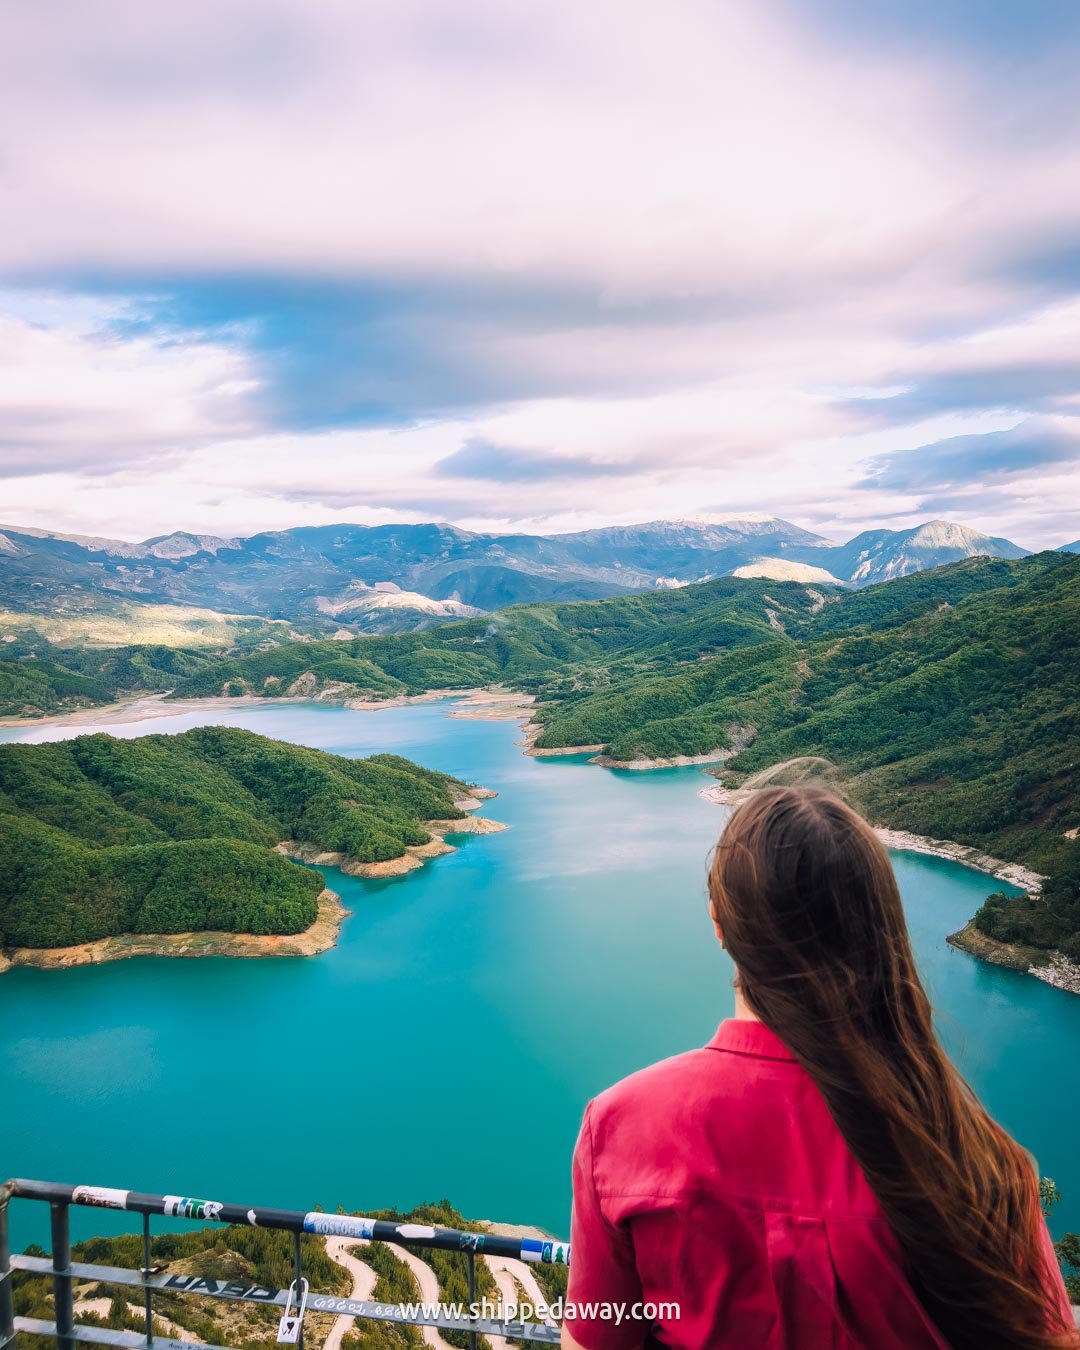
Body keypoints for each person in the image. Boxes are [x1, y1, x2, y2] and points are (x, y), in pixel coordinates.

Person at [563, 781, 1076, 1348]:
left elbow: (596, 1338)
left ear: (718, 923)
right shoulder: (978, 1158)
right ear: (876, 927)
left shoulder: (621, 1127)